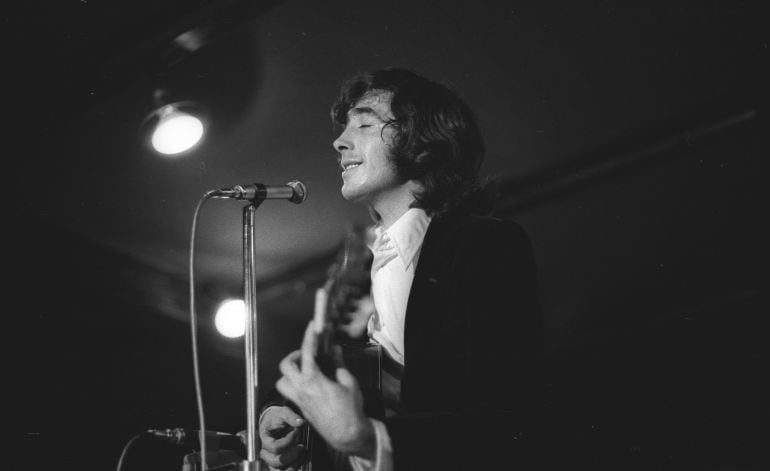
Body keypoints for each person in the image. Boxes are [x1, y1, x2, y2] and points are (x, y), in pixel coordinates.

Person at [258, 67, 543, 471]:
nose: (339, 141)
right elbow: (348, 375)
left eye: (365, 123)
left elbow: (508, 414)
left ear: (423, 145)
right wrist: (280, 413)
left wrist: (365, 438)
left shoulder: (483, 245)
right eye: (345, 127)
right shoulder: (357, 267)